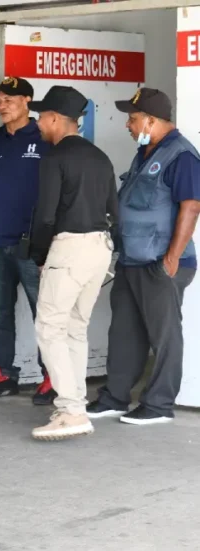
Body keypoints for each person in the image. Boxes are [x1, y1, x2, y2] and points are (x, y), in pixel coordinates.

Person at [87, 88, 200, 425]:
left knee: (164, 335)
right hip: (132, 260)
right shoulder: (146, 153)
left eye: (133, 119)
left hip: (160, 264)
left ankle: (159, 404)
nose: (128, 125)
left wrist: (172, 257)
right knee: (124, 331)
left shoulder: (181, 155)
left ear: (152, 120)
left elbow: (191, 206)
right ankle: (115, 397)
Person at [27, 86, 118, 441]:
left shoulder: (55, 157)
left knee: (49, 327)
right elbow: (114, 210)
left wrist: (39, 255)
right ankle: (76, 404)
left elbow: (45, 216)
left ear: (54, 118)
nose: (38, 123)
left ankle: (70, 410)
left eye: (40, 117)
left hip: (69, 248)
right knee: (75, 328)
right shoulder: (100, 157)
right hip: (99, 248)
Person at [0, 77, 55, 404]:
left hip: (33, 244)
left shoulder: (44, 137)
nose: (2, 106)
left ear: (27, 101)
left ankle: (52, 377)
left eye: (9, 99)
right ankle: (3, 375)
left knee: (44, 314)